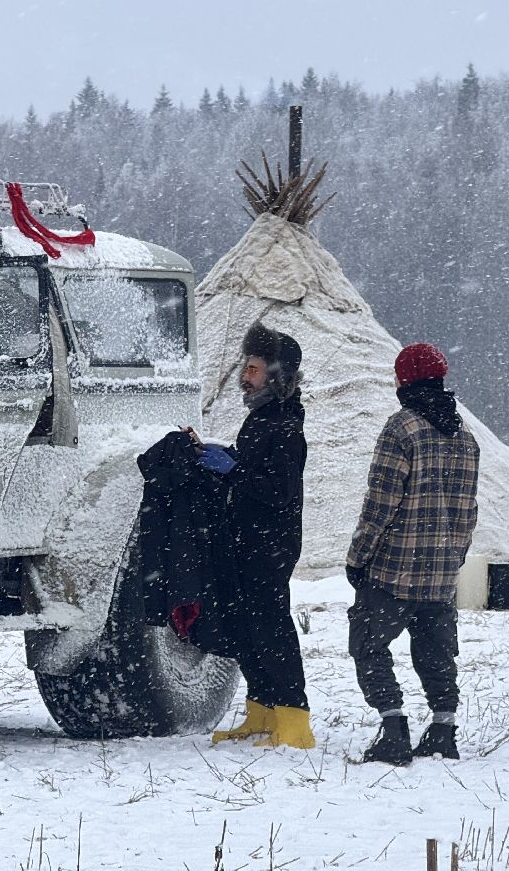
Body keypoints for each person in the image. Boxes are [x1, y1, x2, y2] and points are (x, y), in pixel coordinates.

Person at [345, 343, 480, 765]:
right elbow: (469, 510)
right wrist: (455, 558)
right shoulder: (465, 437)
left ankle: (393, 728)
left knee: (368, 644)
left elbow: (380, 504)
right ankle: (443, 728)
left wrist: (358, 557)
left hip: (393, 569)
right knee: (436, 650)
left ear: (403, 381)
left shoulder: (401, 429)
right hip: (441, 572)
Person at [206, 321, 314, 749]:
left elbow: (277, 490)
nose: (244, 376)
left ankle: (294, 719)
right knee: (247, 627)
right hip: (247, 539)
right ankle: (263, 712)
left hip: (271, 543)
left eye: (253, 369)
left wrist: (235, 470)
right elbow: (253, 474)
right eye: (245, 367)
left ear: (278, 375)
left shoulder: (286, 426)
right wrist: (221, 457)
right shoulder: (260, 420)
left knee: (272, 628)